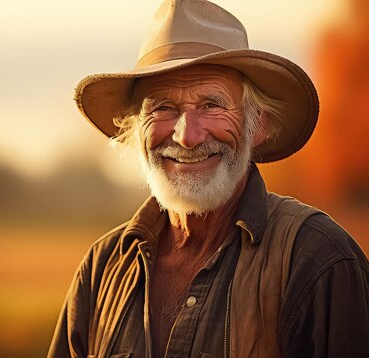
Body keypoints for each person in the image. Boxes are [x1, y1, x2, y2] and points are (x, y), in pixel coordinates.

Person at [47, 1, 369, 357]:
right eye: (163, 108)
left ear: (257, 124)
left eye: (212, 105)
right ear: (137, 129)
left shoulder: (318, 260)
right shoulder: (102, 269)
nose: (187, 137)